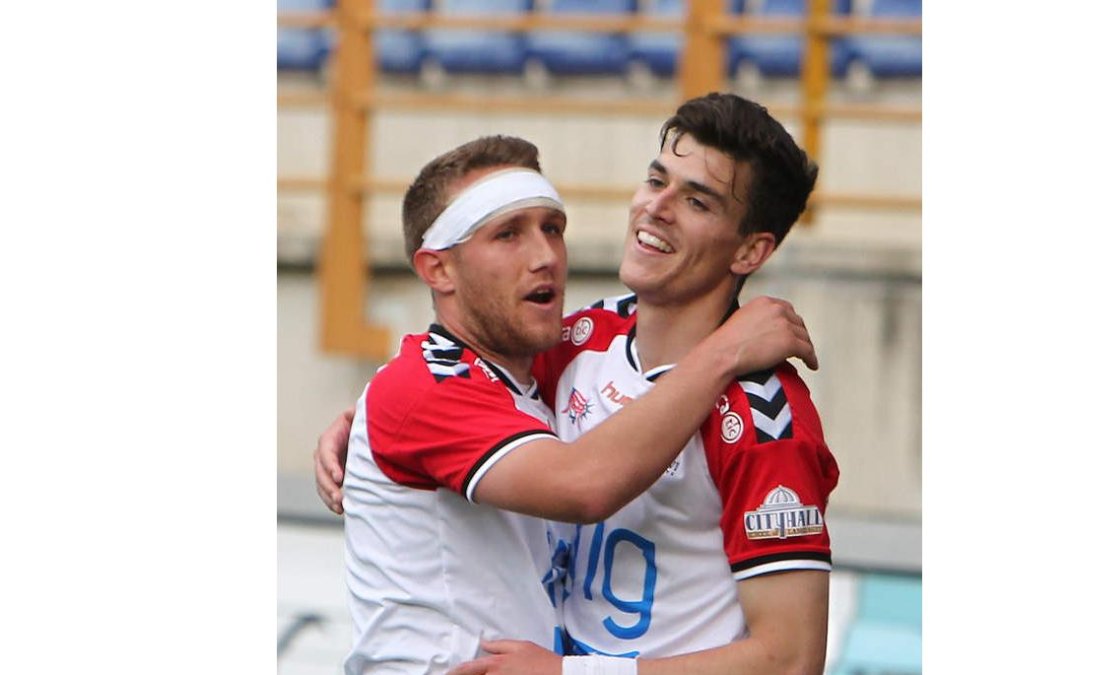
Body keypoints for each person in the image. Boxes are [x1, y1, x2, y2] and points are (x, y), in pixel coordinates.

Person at [335, 133, 815, 675]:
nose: (545, 257)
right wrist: (726, 349)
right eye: (508, 235)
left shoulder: (759, 412)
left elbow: (791, 660)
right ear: (438, 269)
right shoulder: (458, 380)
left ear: (751, 250)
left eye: (553, 228)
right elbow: (582, 484)